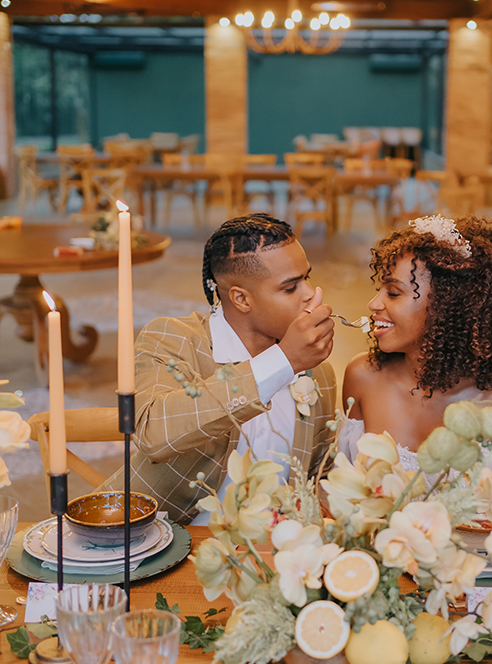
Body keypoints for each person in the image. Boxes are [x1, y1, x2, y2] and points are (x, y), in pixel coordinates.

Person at [341, 214, 492, 531]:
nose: (373, 303)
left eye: (393, 293)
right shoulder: (362, 378)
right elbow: (342, 494)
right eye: (380, 289)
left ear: (447, 306)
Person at [104, 214, 336, 524]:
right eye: (291, 287)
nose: (310, 293)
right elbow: (152, 434)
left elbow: (319, 473)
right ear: (240, 298)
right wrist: (283, 361)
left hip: (274, 556)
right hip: (171, 546)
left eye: (307, 277)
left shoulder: (317, 373)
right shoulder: (174, 340)